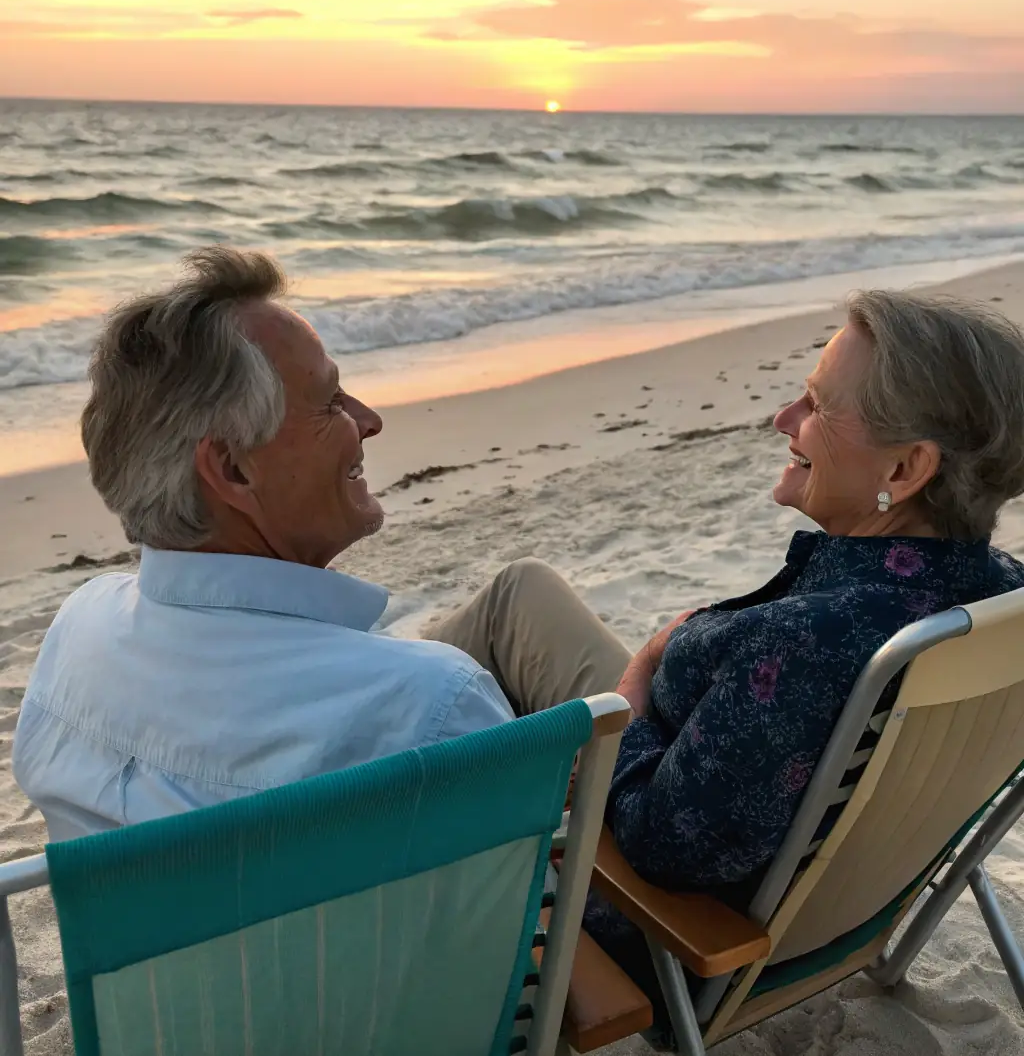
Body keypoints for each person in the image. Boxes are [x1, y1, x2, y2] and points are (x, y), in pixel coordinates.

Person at [427, 288, 1024, 1002]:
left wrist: (638, 683)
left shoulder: (802, 647)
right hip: (828, 893)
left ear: (903, 470)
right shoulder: (999, 598)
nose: (784, 419)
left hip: (658, 926)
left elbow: (660, 847)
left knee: (487, 632)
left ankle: (345, 774)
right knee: (520, 593)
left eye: (815, 405)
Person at [13, 247, 518, 841]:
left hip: (160, 905)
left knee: (519, 595)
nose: (369, 420)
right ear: (233, 469)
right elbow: (529, 880)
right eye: (331, 402)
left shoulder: (81, 626)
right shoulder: (433, 706)